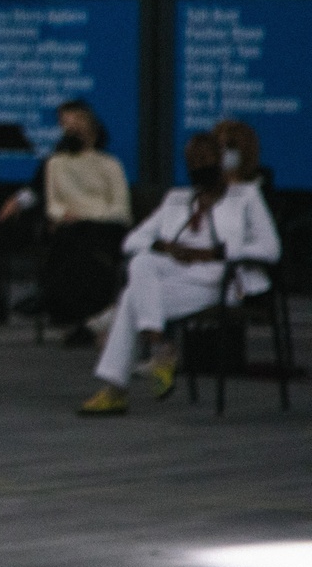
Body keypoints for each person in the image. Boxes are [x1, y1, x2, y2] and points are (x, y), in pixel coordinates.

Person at [78, 131, 281, 416]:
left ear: (221, 161)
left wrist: (216, 253)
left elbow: (270, 249)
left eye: (206, 158)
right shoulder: (177, 198)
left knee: (131, 299)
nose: (199, 164)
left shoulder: (246, 196)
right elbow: (131, 241)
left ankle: (116, 389)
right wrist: (168, 247)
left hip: (219, 280)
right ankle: (160, 343)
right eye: (193, 160)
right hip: (175, 275)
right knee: (142, 263)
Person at [0, 98, 111, 327]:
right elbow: (39, 185)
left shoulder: (100, 154)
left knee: (63, 241)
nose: (67, 126)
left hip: (76, 220)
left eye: (72, 120)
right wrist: (17, 200)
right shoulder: (61, 148)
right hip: (42, 217)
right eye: (63, 121)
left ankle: (51, 298)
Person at [36, 104, 131, 336]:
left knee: (85, 240)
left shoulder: (110, 164)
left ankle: (89, 315)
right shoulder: (55, 164)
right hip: (71, 224)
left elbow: (121, 209)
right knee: (66, 238)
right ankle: (64, 308)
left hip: (105, 225)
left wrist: (87, 216)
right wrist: (62, 216)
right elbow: (53, 203)